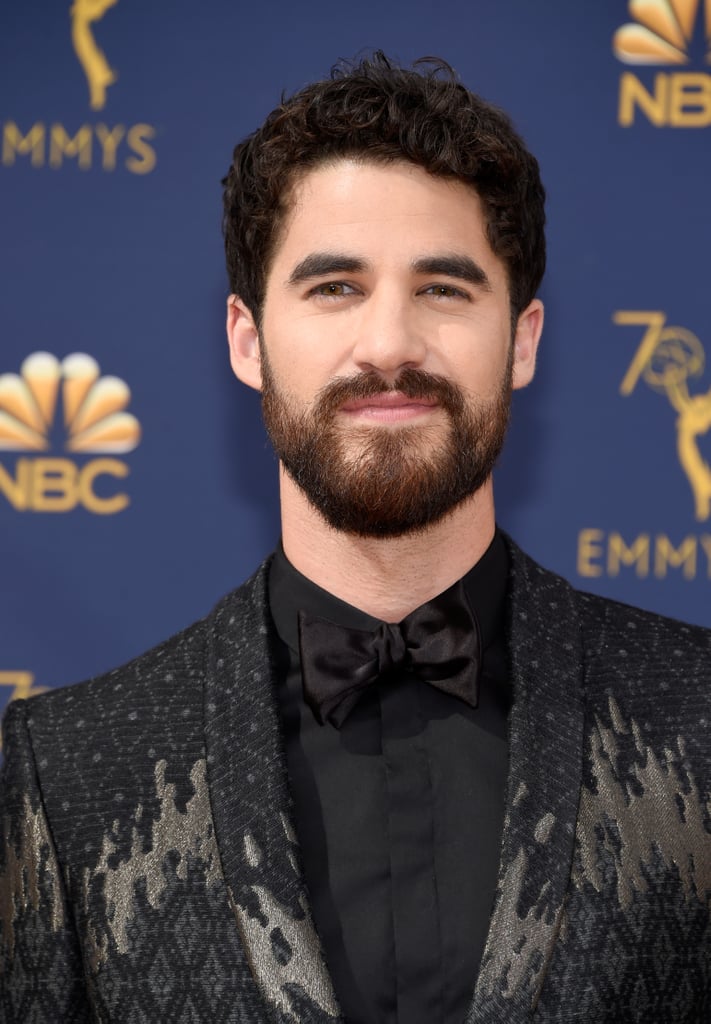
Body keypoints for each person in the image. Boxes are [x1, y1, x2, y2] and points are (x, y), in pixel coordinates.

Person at [1, 53, 709, 1024]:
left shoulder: (699, 721)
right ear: (247, 341)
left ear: (525, 338)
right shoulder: (70, 773)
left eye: (444, 289)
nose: (388, 344)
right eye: (334, 286)